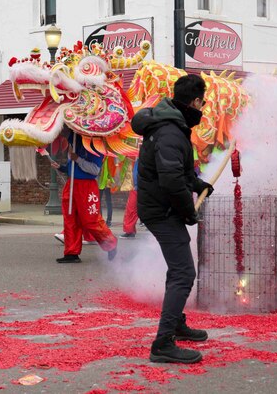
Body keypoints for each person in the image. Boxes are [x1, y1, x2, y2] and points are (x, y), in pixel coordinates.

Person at [131, 74, 214, 364]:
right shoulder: (169, 131)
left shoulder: (173, 127)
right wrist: (188, 212)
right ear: (194, 101)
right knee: (183, 273)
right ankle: (163, 343)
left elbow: (180, 172)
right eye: (202, 102)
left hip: (162, 207)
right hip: (161, 210)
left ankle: (176, 324)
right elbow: (169, 180)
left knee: (177, 268)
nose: (203, 107)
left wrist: (198, 184)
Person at [49, 131, 118, 263]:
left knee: (90, 220)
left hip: (86, 186)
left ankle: (111, 243)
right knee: (70, 219)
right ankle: (71, 252)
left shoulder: (96, 144)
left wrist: (77, 159)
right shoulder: (74, 141)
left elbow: (94, 170)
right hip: (72, 184)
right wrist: (62, 168)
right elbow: (73, 167)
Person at [120, 160, 139, 239]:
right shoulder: (136, 160)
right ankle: (130, 230)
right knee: (131, 209)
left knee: (131, 209)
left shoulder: (143, 159)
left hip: (139, 188)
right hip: (136, 187)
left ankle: (130, 231)